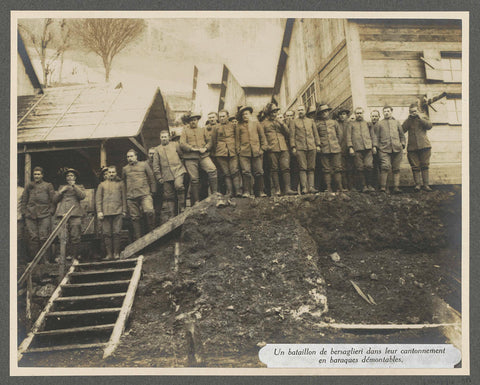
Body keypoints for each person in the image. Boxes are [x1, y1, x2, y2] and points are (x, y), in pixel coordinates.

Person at [180, 112, 218, 205]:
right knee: (194, 179)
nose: (193, 122)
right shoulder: (185, 131)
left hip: (203, 155)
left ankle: (215, 195)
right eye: (191, 120)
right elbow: (182, 143)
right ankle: (196, 201)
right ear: (189, 122)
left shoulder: (203, 130)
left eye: (195, 120)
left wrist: (205, 148)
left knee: (212, 170)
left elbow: (210, 141)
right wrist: (191, 148)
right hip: (190, 157)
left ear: (197, 120)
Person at [21, 167, 56, 262]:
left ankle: (45, 259)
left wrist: (51, 211)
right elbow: (24, 200)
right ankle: (35, 261)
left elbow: (53, 200)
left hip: (44, 214)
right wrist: (24, 212)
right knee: (33, 238)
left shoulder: (48, 185)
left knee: (44, 237)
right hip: (30, 215)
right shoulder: (29, 185)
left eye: (38, 174)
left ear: (42, 175)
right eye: (35, 174)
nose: (36, 176)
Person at [262, 103, 296, 196]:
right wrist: (266, 146)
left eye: (276, 111)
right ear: (268, 113)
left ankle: (287, 189)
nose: (275, 114)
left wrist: (282, 124)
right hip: (272, 149)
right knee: (274, 169)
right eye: (273, 112)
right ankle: (277, 190)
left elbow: (288, 133)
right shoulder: (263, 124)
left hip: (283, 147)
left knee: (286, 168)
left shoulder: (279, 122)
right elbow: (262, 137)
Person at [153, 130, 187, 221]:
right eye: (162, 137)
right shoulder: (157, 149)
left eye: (165, 137)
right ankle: (173, 215)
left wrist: (181, 166)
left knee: (179, 185)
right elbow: (156, 165)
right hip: (166, 175)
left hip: (178, 171)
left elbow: (181, 156)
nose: (164, 139)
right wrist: (159, 177)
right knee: (169, 196)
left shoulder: (175, 145)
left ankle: (183, 207)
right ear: (160, 138)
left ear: (169, 137)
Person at [122, 149, 156, 240]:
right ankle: (139, 239)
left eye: (131, 156)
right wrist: (126, 196)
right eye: (128, 157)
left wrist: (152, 191)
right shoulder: (125, 169)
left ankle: (152, 234)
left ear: (136, 157)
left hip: (144, 194)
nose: (130, 158)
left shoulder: (144, 165)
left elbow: (152, 178)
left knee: (149, 212)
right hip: (131, 197)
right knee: (135, 218)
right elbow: (124, 183)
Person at [236, 105, 268, 197]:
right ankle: (246, 192)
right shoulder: (239, 126)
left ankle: (261, 191)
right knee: (246, 172)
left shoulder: (256, 123)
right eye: (243, 115)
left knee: (259, 172)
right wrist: (239, 151)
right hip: (244, 153)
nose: (245, 116)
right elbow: (237, 140)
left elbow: (262, 137)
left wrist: (262, 149)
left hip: (256, 152)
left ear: (250, 114)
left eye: (246, 114)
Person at [54, 168, 86, 260]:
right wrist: (61, 191)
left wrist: (74, 186)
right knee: (63, 236)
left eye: (72, 175)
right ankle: (63, 256)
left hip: (75, 214)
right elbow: (54, 200)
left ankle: (74, 256)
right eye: (68, 176)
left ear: (75, 177)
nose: (70, 177)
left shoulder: (80, 186)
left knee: (75, 235)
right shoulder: (61, 187)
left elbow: (82, 196)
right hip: (63, 214)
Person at [96, 166, 126, 260]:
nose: (111, 174)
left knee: (117, 232)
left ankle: (116, 253)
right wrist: (99, 211)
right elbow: (98, 199)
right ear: (107, 174)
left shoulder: (120, 184)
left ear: (116, 173)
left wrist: (124, 210)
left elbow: (124, 198)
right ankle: (109, 254)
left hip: (118, 212)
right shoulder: (102, 185)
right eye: (110, 172)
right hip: (105, 213)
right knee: (107, 233)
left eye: (113, 172)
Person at [288, 105, 320, 194]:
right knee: (302, 168)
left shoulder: (311, 121)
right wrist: (293, 147)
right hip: (300, 147)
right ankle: (304, 188)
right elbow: (292, 136)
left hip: (311, 146)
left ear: (305, 111)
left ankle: (311, 187)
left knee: (311, 168)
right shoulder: (294, 122)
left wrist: (318, 144)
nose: (300, 111)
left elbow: (315, 134)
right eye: (299, 110)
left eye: (302, 110)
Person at [402, 103, 434, 192]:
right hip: (412, 148)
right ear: (409, 112)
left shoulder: (423, 117)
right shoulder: (408, 120)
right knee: (415, 167)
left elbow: (429, 126)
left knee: (425, 165)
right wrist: (409, 119)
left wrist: (420, 118)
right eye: (411, 111)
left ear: (418, 111)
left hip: (425, 146)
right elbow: (402, 130)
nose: (413, 113)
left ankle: (426, 185)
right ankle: (417, 185)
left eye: (415, 111)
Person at [375, 106, 406, 193]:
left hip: (397, 149)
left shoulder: (396, 122)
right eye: (384, 111)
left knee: (396, 169)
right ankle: (383, 188)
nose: (386, 113)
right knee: (385, 167)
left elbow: (402, 135)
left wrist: (402, 144)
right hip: (384, 149)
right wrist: (377, 147)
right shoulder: (379, 124)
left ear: (391, 112)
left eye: (388, 111)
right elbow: (376, 137)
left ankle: (396, 187)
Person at [211, 109, 242, 197]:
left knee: (235, 171)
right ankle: (230, 192)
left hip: (233, 151)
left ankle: (238, 191)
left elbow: (237, 138)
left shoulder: (233, 126)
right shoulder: (216, 127)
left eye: (223, 116)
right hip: (221, 153)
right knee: (226, 173)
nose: (222, 118)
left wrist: (237, 149)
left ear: (228, 116)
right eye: (220, 116)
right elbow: (213, 141)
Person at [314, 103, 344, 193]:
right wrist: (319, 145)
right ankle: (328, 188)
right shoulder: (318, 124)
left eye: (326, 111)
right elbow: (316, 136)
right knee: (326, 169)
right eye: (322, 112)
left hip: (335, 148)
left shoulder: (334, 123)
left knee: (337, 168)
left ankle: (339, 187)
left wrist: (336, 143)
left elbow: (340, 135)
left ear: (329, 112)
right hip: (324, 149)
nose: (324, 113)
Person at [347, 107, 377, 192]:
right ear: (355, 114)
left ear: (363, 113)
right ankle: (364, 186)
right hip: (357, 148)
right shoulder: (351, 124)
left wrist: (374, 146)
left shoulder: (368, 124)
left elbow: (373, 135)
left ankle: (370, 185)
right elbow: (348, 137)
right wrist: (350, 147)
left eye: (360, 113)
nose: (359, 115)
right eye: (357, 113)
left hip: (368, 148)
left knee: (369, 166)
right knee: (360, 168)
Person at [336, 108, 353, 191]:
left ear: (347, 115)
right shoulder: (337, 125)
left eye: (344, 114)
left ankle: (352, 186)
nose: (342, 116)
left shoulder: (350, 124)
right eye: (340, 114)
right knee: (342, 168)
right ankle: (345, 186)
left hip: (350, 149)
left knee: (351, 168)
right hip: (340, 149)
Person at [147, 147, 163, 225]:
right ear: (148, 154)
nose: (152, 155)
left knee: (158, 210)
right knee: (149, 211)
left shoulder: (160, 164)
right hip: (148, 190)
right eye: (150, 153)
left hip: (159, 189)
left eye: (153, 154)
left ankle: (157, 225)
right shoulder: (145, 164)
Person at [370, 110, 382, 189]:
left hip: (381, 149)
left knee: (382, 167)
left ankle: (383, 186)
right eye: (373, 116)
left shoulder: (381, 125)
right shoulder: (368, 125)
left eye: (376, 116)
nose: (374, 118)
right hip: (371, 149)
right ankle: (375, 185)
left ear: (379, 117)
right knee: (373, 167)